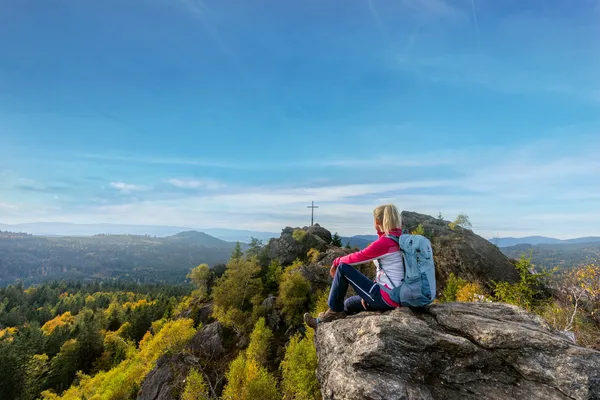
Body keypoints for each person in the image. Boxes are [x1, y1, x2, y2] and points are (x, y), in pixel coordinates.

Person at [304, 204, 404, 329]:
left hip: (386, 298)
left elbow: (358, 257)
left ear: (378, 221)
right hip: (399, 296)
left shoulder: (385, 242)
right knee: (348, 304)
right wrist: (367, 294)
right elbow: (392, 272)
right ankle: (321, 321)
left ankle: (333, 312)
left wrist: (336, 262)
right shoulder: (402, 239)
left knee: (343, 268)